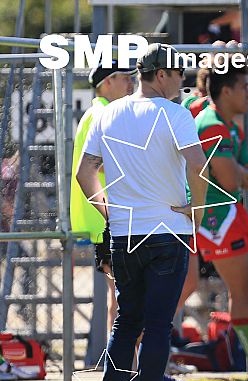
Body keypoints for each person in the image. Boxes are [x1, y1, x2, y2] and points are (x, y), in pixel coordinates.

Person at [77, 43, 208, 381]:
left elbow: (85, 172)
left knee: (125, 323)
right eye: (178, 73)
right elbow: (198, 165)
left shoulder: (109, 113)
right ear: (162, 74)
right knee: (157, 326)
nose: (182, 80)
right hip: (168, 233)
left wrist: (108, 210)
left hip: (124, 234)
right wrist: (196, 210)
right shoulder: (175, 114)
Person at [194, 63, 248, 381]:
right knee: (242, 293)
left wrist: (240, 173)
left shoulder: (232, 127)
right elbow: (231, 178)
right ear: (225, 91)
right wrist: (241, 173)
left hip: (232, 212)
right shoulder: (212, 124)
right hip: (217, 217)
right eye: (244, 86)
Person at [70, 60, 135, 333]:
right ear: (107, 82)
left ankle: (122, 358)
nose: (131, 83)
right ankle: (122, 359)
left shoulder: (100, 111)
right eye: (125, 78)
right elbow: (103, 163)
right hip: (108, 218)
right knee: (123, 301)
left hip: (107, 218)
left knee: (121, 299)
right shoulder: (103, 113)